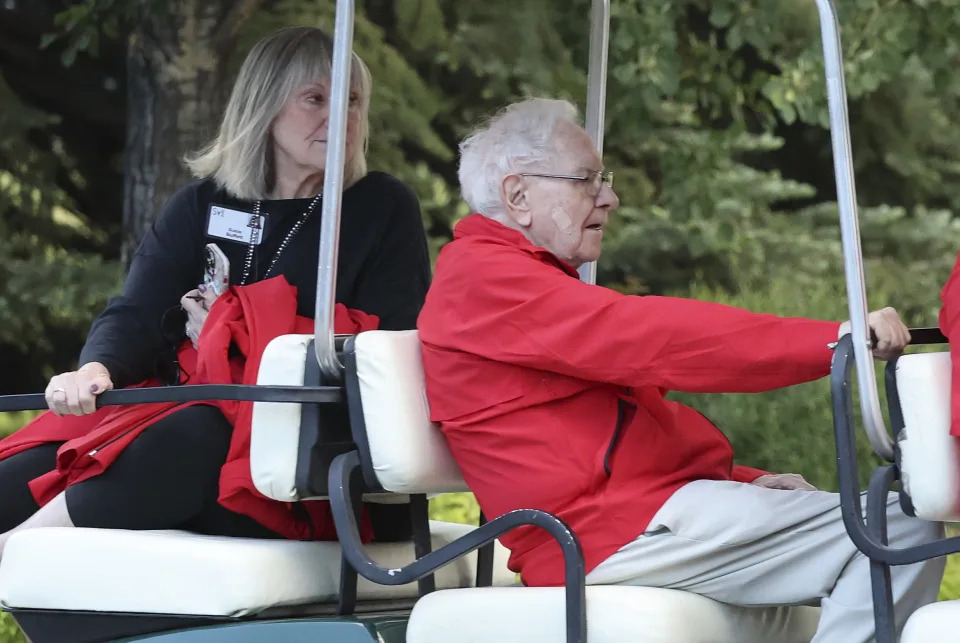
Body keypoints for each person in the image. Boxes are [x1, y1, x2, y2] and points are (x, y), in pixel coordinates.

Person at [417, 97, 944, 642]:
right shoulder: (485, 282)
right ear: (517, 195)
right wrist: (831, 340)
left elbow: (617, 435)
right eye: (586, 180)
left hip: (626, 520)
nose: (610, 197)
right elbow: (656, 337)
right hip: (599, 535)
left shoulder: (514, 282)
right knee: (900, 524)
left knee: (889, 521)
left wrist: (747, 481)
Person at [0, 27, 430, 552]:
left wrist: (230, 329)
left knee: (187, 439)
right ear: (264, 106)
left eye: (354, 100)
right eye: (316, 98)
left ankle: (17, 557)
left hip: (303, 451)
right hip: (178, 406)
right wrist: (97, 370)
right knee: (22, 470)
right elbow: (137, 312)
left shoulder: (380, 207)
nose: (340, 115)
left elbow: (379, 352)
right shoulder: (202, 203)